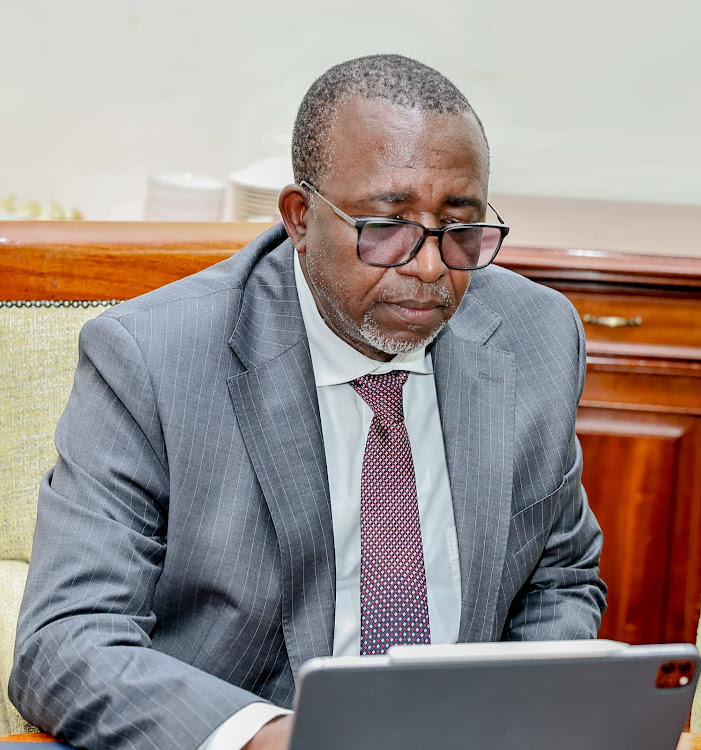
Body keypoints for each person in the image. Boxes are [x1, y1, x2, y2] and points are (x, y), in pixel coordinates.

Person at [10, 54, 606, 750]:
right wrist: (278, 740)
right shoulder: (154, 359)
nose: (429, 268)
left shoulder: (534, 336)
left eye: (460, 227)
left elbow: (558, 579)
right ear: (299, 216)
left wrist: (517, 717)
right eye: (385, 227)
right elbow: (67, 640)